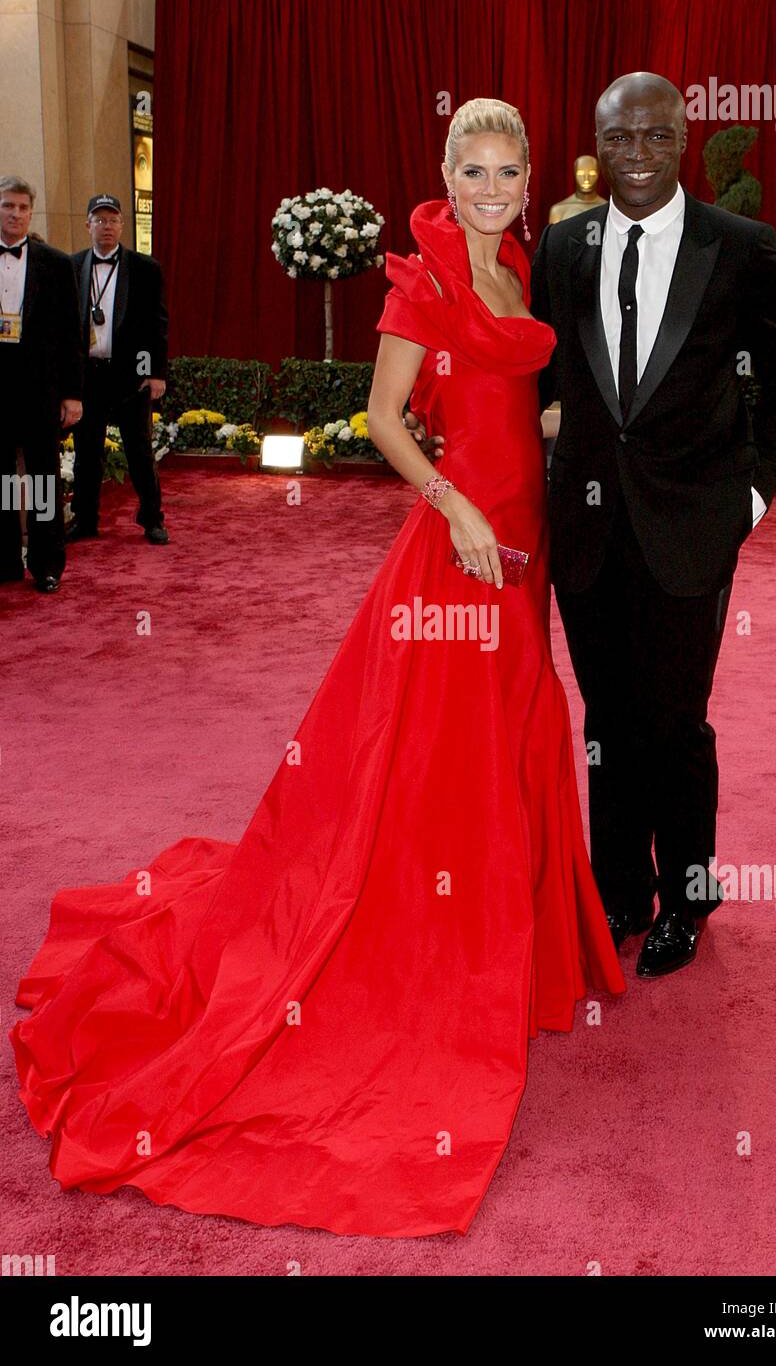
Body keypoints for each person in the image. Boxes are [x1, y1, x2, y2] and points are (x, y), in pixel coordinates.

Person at [9, 99, 624, 1239]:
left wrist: (534, 448)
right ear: (444, 168)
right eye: (472, 169)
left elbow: (500, 393)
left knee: (513, 729)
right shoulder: (424, 275)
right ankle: (441, 953)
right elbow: (384, 416)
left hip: (523, 540)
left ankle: (506, 941)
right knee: (441, 756)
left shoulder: (525, 263)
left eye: (507, 170)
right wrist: (453, 508)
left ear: (531, 177)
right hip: (457, 549)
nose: (489, 188)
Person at [415, 72, 776, 979]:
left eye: (653, 137)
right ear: (597, 148)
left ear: (680, 138)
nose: (636, 156)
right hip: (587, 530)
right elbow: (532, 375)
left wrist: (750, 495)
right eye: (617, 140)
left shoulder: (740, 247)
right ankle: (618, 891)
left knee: (676, 721)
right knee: (606, 717)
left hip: (693, 527)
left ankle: (687, 894)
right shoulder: (561, 245)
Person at [66, 194, 169, 545]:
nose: (106, 226)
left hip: (130, 376)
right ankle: (84, 518)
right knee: (86, 453)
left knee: (139, 450)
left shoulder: (145, 268)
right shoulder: (72, 265)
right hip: (88, 376)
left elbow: (157, 324)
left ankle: (152, 518)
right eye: (99, 219)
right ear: (88, 225)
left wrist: (155, 373)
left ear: (122, 225)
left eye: (112, 220)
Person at [0, 176, 83, 593]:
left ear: (31, 213)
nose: (15, 214)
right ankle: (5, 559)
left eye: (22, 208)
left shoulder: (56, 263)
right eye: (7, 206)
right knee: (1, 480)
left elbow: (72, 334)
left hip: (40, 390)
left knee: (43, 478)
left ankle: (47, 563)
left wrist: (72, 394)